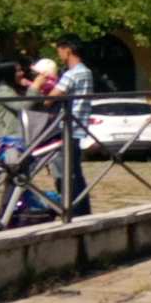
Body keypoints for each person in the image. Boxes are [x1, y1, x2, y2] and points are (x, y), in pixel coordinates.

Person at [44, 38, 96, 216]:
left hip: (68, 127)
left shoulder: (72, 74)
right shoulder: (86, 72)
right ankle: (81, 209)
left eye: (59, 50)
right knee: (75, 171)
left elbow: (51, 98)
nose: (58, 54)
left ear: (67, 50)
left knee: (66, 172)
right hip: (78, 126)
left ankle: (72, 209)